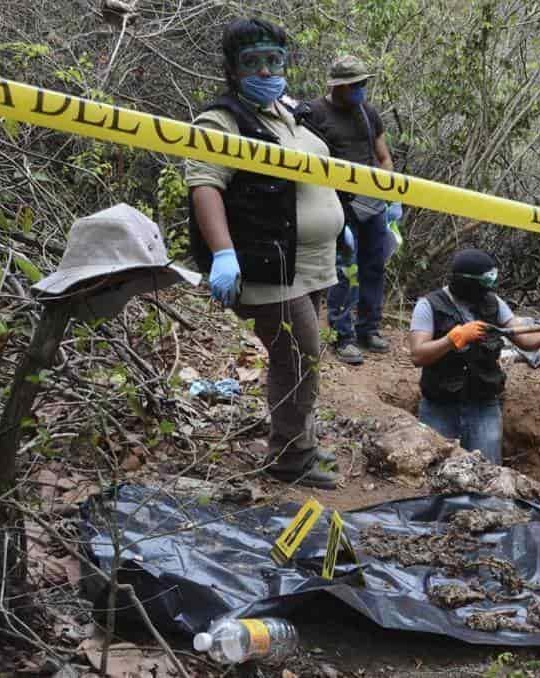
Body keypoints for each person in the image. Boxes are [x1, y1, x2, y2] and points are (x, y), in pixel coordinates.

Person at [185, 17, 343, 488]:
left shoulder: (291, 112)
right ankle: (291, 457)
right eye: (252, 63)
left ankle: (300, 441)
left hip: (311, 262)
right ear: (233, 70)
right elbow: (205, 186)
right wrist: (223, 254)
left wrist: (342, 223)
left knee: (296, 356)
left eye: (274, 60)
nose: (265, 70)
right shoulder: (221, 120)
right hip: (266, 264)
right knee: (299, 355)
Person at [409, 249, 540, 464]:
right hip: (439, 406)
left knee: (488, 475)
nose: (489, 287)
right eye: (485, 281)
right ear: (464, 281)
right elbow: (418, 355)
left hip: (483, 405)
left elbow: (527, 342)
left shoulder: (493, 303)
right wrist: (452, 339)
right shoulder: (429, 305)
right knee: (435, 473)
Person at [308, 55, 400, 365]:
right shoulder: (314, 113)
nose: (362, 89)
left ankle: (368, 328)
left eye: (364, 83)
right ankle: (342, 335)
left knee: (374, 265)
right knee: (344, 270)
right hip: (336, 203)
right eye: (355, 85)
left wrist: (389, 194)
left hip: (372, 203)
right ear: (338, 86)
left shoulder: (368, 112)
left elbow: (383, 156)